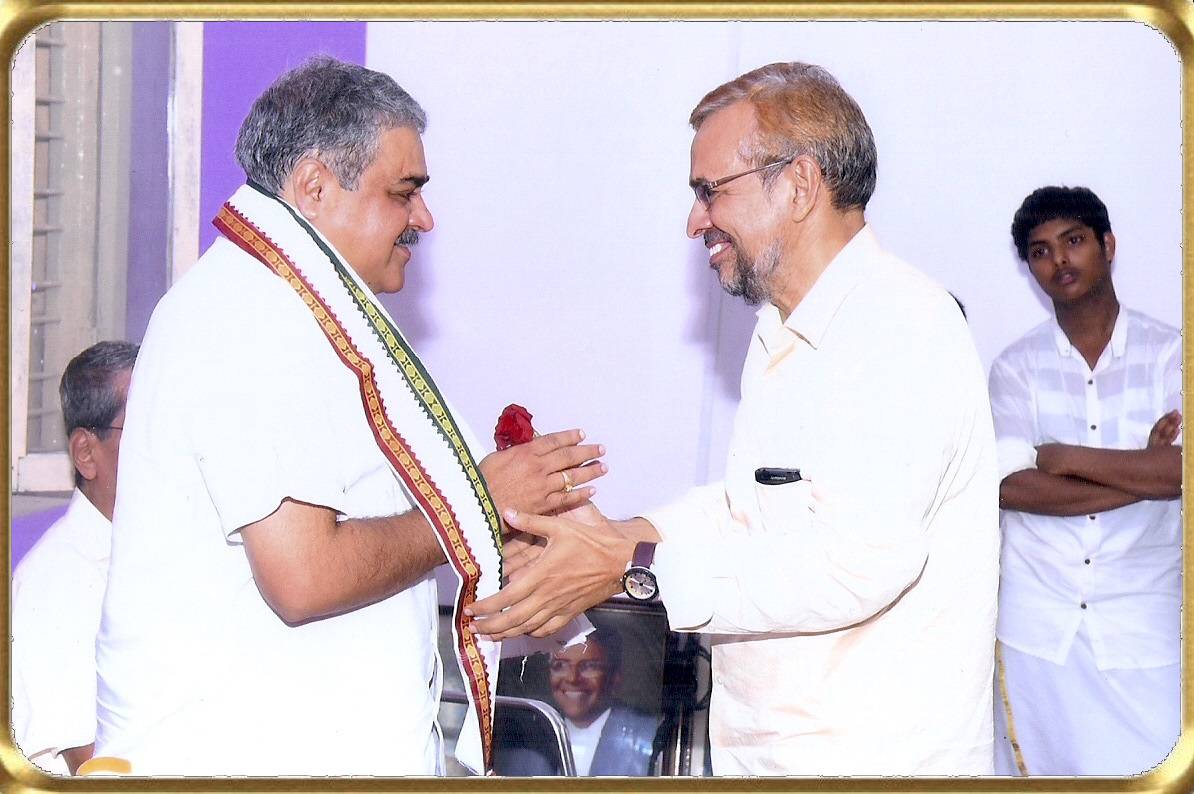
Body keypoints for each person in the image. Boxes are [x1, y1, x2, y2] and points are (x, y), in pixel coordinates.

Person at [469, 62, 1001, 775]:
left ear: (800, 184)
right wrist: (615, 537)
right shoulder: (782, 328)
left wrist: (630, 567)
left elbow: (862, 560)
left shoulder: (902, 324)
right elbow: (748, 512)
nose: (695, 221)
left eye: (709, 191)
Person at [92, 57, 605, 776]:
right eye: (405, 193)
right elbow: (304, 577)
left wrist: (499, 542)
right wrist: (476, 507)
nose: (424, 218)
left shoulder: (313, 316)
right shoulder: (249, 316)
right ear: (313, 186)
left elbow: (379, 530)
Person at [989, 186, 1181, 776]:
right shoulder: (1015, 368)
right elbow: (1011, 488)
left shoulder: (1171, 355)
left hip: (1143, 621)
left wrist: (1061, 455)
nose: (1059, 260)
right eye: (1040, 251)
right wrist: (1141, 473)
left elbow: (1182, 471)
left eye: (1073, 241)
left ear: (1108, 246)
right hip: (1038, 630)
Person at [11, 341, 137, 775]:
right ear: (86, 452)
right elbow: (97, 765)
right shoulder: (53, 583)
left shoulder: (171, 552)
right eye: (144, 428)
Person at [497, 627, 658, 776]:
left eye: (589, 666)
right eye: (560, 665)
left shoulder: (648, 736)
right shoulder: (525, 738)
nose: (573, 678)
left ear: (615, 677)